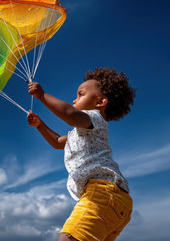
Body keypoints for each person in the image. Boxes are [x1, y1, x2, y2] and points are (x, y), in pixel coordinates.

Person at [27, 67, 136, 241]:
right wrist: (40, 125)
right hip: (117, 203)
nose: (74, 99)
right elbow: (56, 142)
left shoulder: (94, 118)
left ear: (100, 102)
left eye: (80, 95)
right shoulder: (78, 133)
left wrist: (42, 96)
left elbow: (69, 113)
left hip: (102, 194)